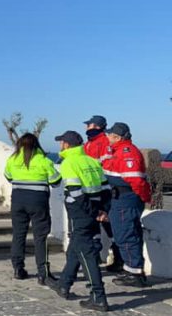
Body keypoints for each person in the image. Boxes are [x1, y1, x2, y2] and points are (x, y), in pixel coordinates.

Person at [48, 131, 109, 312]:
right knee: (76, 246)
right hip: (95, 210)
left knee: (86, 254)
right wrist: (103, 210)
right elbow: (106, 189)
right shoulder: (92, 161)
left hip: (81, 213)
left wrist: (92, 213)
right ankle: (64, 284)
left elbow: (76, 193)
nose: (60, 146)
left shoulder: (68, 163)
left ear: (66, 145)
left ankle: (98, 296)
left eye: (61, 143)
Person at [4, 133, 61, 284]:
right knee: (40, 237)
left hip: (17, 200)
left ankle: (18, 269)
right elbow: (56, 181)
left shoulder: (12, 159)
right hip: (38, 201)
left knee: (18, 234)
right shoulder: (43, 160)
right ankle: (43, 273)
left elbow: (8, 177)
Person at [104, 122, 151, 287]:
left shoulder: (127, 152)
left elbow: (136, 180)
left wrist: (143, 197)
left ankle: (134, 273)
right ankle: (133, 270)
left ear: (117, 137)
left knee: (126, 234)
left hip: (126, 199)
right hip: (122, 198)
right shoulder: (118, 151)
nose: (107, 137)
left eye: (109, 135)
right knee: (129, 233)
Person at [83, 115, 121, 271]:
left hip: (103, 188)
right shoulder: (89, 144)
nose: (86, 128)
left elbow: (106, 164)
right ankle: (95, 257)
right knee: (94, 224)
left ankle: (117, 257)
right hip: (92, 188)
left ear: (95, 126)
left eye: (88, 125)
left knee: (107, 222)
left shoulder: (104, 142)